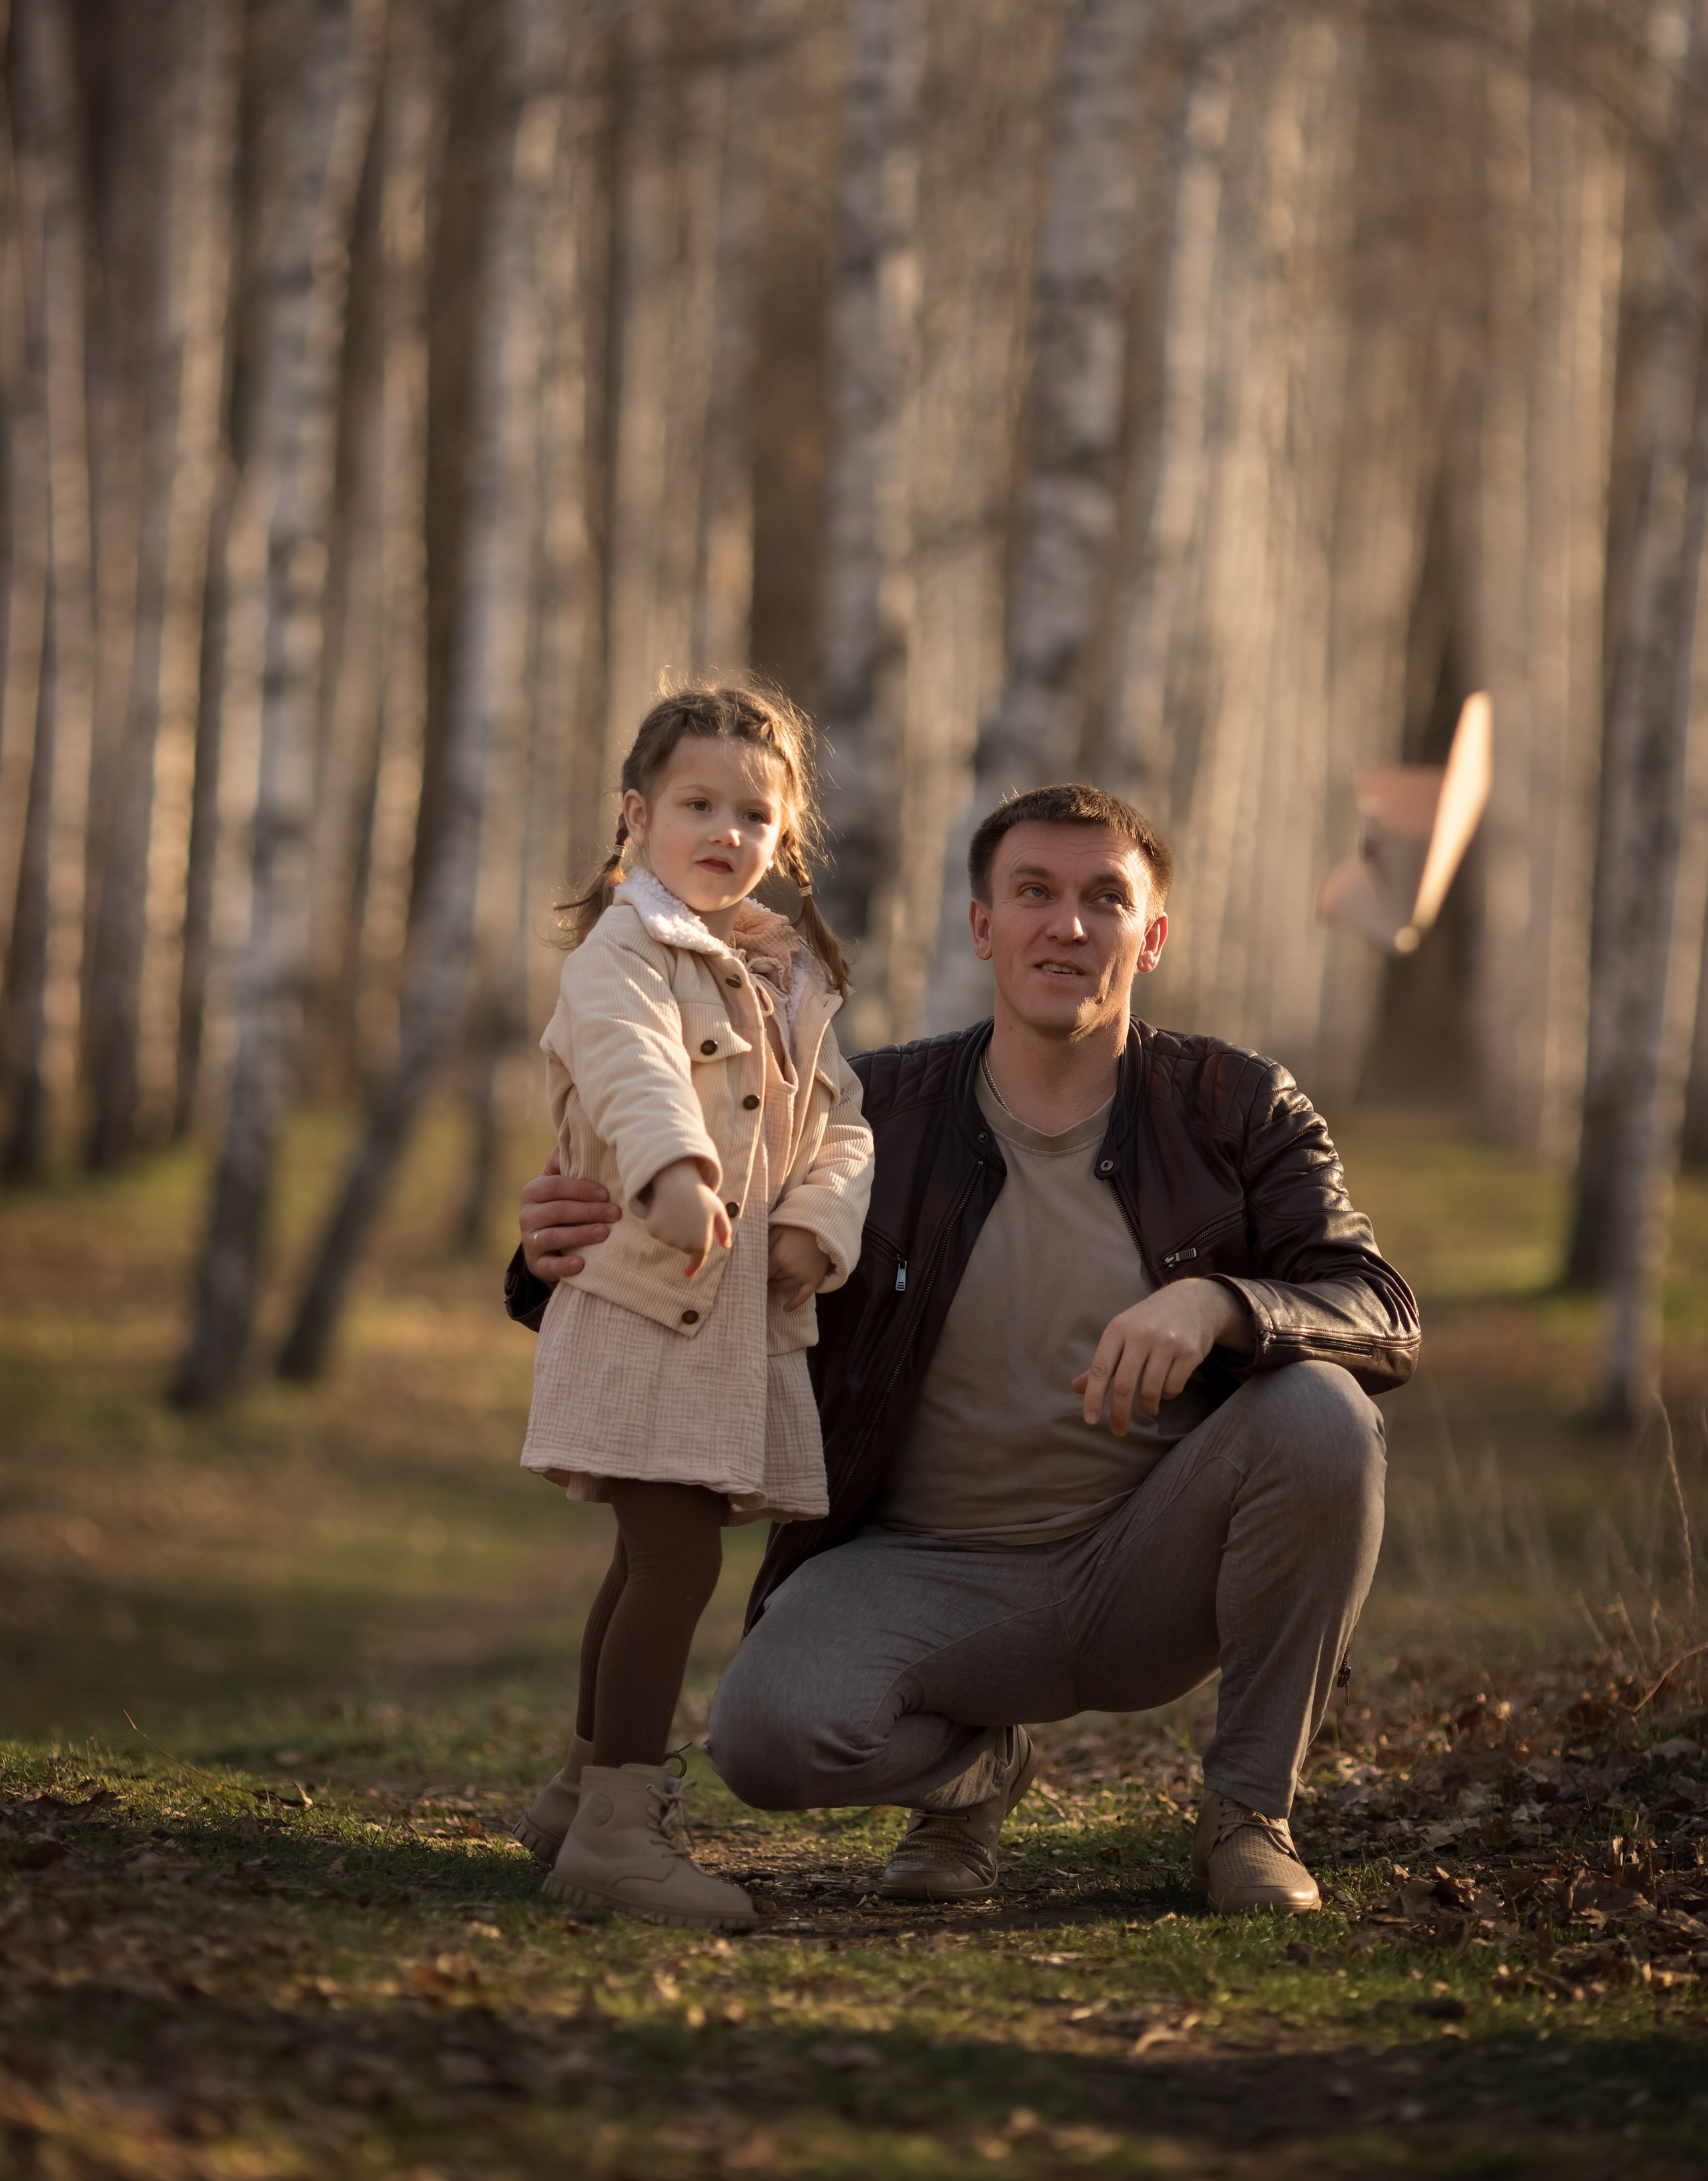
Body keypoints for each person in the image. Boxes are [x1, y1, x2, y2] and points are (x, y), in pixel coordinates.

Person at [508, 782, 1417, 1916]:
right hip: (916, 1568)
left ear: (1154, 935)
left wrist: (1222, 1306)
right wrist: (549, 1254)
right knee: (764, 1739)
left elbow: (1376, 1306)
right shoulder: (868, 1110)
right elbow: (707, 1243)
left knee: (1324, 1418)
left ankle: (1247, 1819)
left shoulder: (1237, 1105)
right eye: (1033, 892)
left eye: (1104, 900)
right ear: (984, 926)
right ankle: (976, 1775)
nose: (1068, 926)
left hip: (1147, 1562)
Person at [510, 685, 873, 1929]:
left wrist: (819, 1223)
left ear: (787, 838)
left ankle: (575, 1793)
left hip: (733, 1316)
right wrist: (676, 1174)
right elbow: (631, 1068)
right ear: (637, 815)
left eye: (754, 813)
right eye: (696, 804)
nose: (725, 831)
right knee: (669, 1562)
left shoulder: (785, 972)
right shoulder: (624, 953)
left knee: (646, 1558)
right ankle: (618, 1823)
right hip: (645, 1298)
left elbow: (842, 1121)